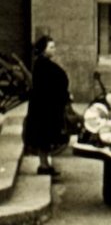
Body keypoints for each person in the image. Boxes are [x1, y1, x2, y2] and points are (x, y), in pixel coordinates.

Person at [23, 35, 73, 178]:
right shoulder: (42, 65)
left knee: (44, 137)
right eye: (51, 47)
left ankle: (45, 165)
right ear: (44, 49)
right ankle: (43, 165)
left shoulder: (43, 64)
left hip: (45, 106)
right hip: (43, 108)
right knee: (43, 137)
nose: (54, 49)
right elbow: (49, 85)